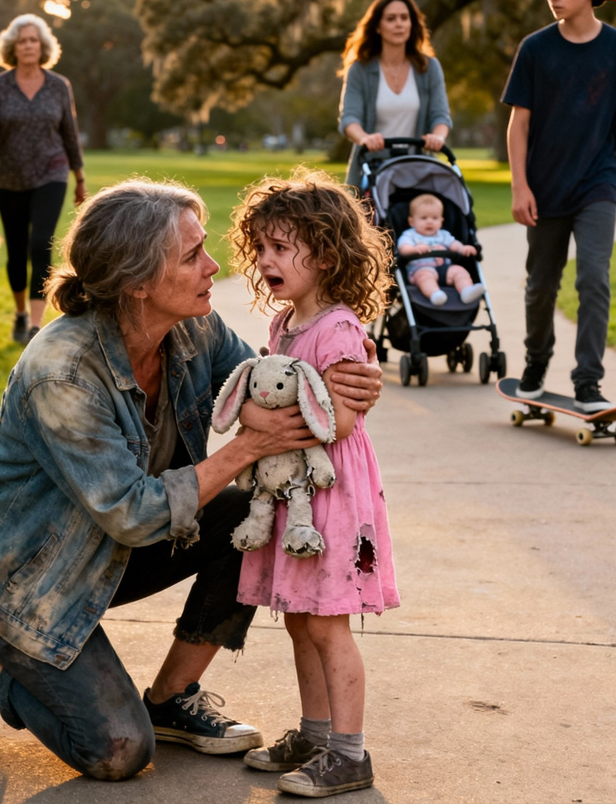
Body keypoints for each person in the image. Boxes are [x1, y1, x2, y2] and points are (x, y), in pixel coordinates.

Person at [0, 179, 384, 781]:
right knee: (117, 752)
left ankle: (171, 698)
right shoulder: (61, 373)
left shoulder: (193, 329)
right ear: (137, 284)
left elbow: (259, 380)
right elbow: (134, 512)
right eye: (192, 256)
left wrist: (342, 384)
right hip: (25, 575)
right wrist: (252, 442)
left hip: (111, 547)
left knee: (250, 519)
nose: (214, 265)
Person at [228, 169, 400, 797]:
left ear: (325, 254)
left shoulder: (339, 329)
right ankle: (316, 732)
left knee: (328, 623)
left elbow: (342, 419)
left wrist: (260, 416)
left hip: (330, 492)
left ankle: (350, 753)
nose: (267, 260)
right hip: (294, 491)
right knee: (300, 618)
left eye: (281, 248)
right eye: (262, 249)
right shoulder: (285, 325)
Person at [503, 0, 616, 412]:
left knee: (594, 279)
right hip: (543, 188)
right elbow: (518, 123)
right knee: (541, 284)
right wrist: (520, 186)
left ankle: (588, 381)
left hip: (597, 186)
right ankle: (536, 365)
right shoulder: (536, 48)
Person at [0, 13, 85, 346]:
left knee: (41, 245)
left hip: (51, 172)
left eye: (33, 40)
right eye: (22, 40)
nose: (28, 46)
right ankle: (20, 312)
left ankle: (36, 325)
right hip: (8, 176)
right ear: (13, 47)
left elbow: (70, 133)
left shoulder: (58, 86)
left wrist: (79, 177)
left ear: (43, 45)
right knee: (17, 250)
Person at [339, 0, 452, 191]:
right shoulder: (360, 69)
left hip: (418, 169)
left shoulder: (429, 68)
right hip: (372, 170)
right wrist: (365, 138)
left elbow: (441, 116)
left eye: (404, 18)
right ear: (378, 27)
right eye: (391, 19)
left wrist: (438, 137)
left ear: (412, 24)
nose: (399, 24)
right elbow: (349, 119)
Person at [396, 193, 485, 306]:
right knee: (425, 277)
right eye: (424, 218)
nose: (429, 221)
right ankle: (435, 294)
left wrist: (462, 248)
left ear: (441, 221)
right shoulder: (410, 235)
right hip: (420, 269)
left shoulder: (443, 235)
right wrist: (414, 249)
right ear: (412, 222)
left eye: (435, 218)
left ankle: (466, 291)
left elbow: (454, 244)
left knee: (459, 271)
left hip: (444, 269)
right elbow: (403, 249)